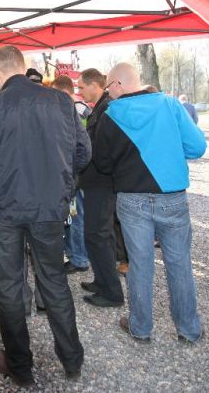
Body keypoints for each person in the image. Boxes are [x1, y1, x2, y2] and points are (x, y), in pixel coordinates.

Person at [0, 45, 90, 387]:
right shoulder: (62, 101)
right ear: (23, 66)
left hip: (4, 209)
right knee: (53, 280)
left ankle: (20, 368)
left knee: (7, 285)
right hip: (48, 207)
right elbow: (82, 152)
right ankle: (72, 360)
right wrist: (61, 180)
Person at [93, 63, 205, 345]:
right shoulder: (169, 105)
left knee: (140, 264)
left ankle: (140, 327)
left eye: (108, 88)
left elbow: (103, 163)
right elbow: (197, 147)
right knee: (179, 263)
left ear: (117, 84)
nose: (108, 94)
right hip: (172, 195)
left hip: (131, 197)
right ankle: (189, 329)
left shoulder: (110, 116)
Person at [76, 68, 125, 308]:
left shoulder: (107, 109)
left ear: (96, 85)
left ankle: (112, 292)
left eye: (81, 86)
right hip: (96, 182)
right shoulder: (101, 107)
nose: (79, 91)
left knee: (98, 235)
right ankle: (102, 280)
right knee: (96, 235)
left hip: (102, 183)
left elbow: (100, 149)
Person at [51, 75, 91, 274]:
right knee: (71, 218)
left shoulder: (77, 111)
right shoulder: (77, 109)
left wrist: (72, 170)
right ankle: (73, 253)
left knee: (76, 219)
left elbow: (83, 147)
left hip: (73, 178)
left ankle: (80, 258)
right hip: (70, 176)